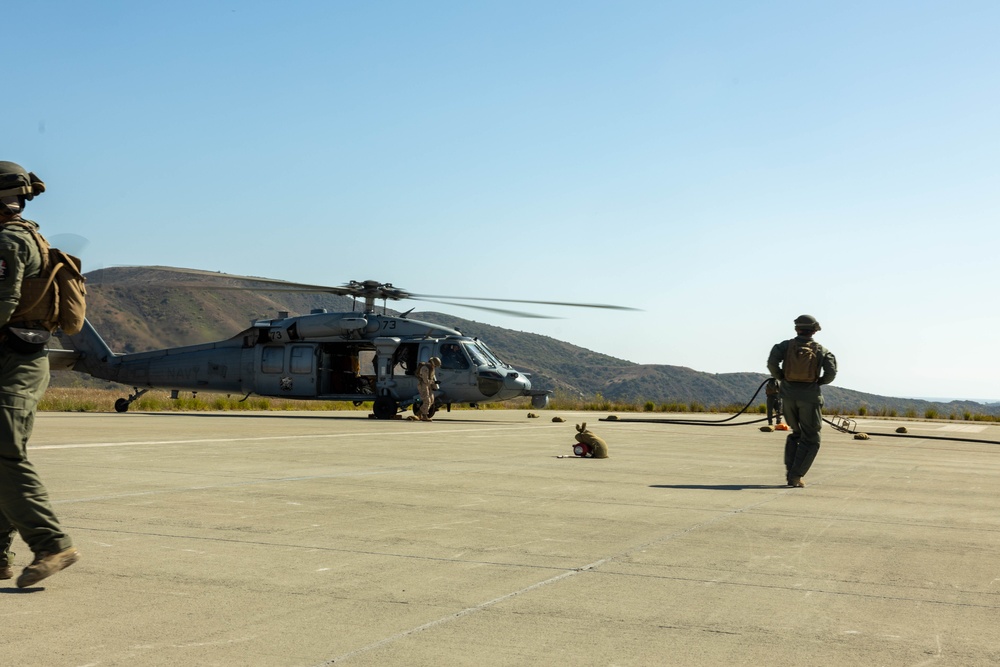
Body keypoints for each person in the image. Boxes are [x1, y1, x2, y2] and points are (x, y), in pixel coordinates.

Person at [0, 161, 80, 587]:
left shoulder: (9, 241)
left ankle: (52, 544)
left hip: (14, 359)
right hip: (20, 355)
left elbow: (2, 300)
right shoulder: (26, 234)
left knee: (3, 449)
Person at [766, 314, 837, 488]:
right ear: (814, 331)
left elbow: (772, 363)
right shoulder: (822, 350)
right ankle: (796, 476)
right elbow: (831, 373)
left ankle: (791, 472)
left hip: (788, 397)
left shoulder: (784, 346)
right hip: (810, 398)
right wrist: (817, 382)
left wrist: (782, 378)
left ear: (797, 329)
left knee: (796, 434)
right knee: (812, 438)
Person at [416, 356, 441, 421]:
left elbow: (432, 377)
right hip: (423, 385)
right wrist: (433, 382)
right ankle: (424, 416)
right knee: (427, 400)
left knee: (431, 400)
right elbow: (425, 380)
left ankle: (419, 412)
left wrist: (435, 385)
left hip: (428, 385)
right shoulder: (425, 368)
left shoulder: (431, 368)